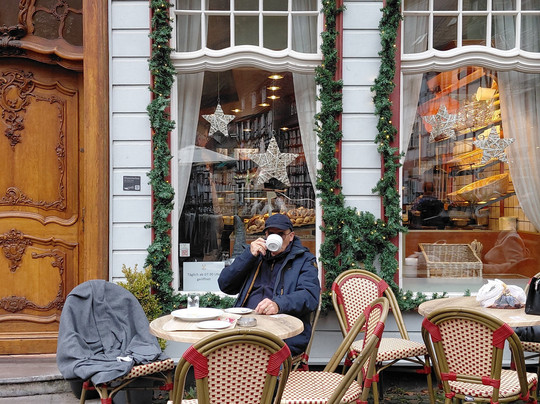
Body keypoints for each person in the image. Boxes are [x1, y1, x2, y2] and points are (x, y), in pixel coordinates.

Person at [218, 213, 320, 356]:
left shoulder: (304, 260)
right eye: (271, 233)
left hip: (283, 334)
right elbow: (225, 285)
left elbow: (309, 296)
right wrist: (248, 256)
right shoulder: (255, 256)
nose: (275, 237)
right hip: (245, 327)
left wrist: (278, 304)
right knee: (213, 351)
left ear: (291, 236)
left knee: (254, 356)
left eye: (281, 234)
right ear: (266, 235)